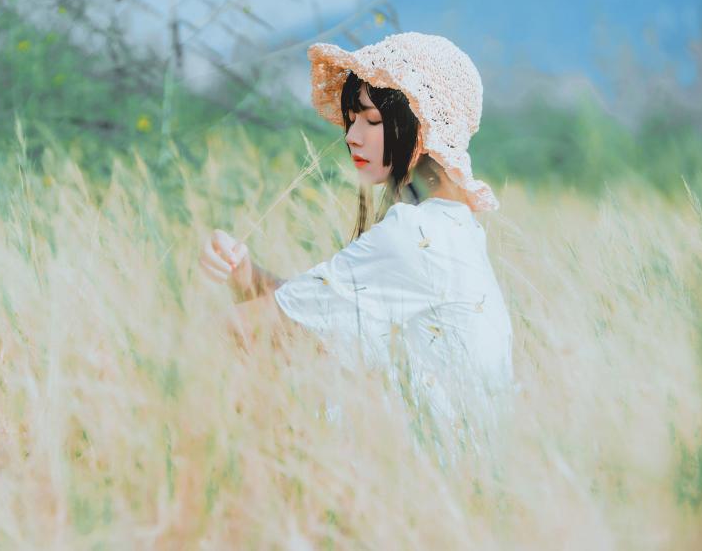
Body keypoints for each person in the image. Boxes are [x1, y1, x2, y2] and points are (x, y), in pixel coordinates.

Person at [198, 32, 515, 462]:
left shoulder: (413, 235)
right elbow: (306, 316)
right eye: (351, 119)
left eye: (370, 119)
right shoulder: (456, 228)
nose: (351, 136)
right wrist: (246, 276)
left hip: (412, 489)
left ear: (420, 124)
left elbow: (244, 330)